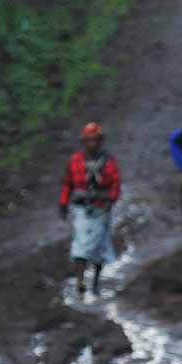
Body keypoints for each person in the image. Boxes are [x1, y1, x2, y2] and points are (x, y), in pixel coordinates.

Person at [60, 122, 121, 296]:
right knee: (80, 242)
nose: (93, 144)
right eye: (89, 140)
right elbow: (67, 183)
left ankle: (95, 281)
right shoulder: (75, 161)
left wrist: (110, 199)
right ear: (84, 142)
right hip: (81, 208)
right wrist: (63, 203)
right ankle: (80, 280)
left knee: (99, 246)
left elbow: (115, 185)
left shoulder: (109, 162)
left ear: (101, 141)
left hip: (101, 208)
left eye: (96, 140)